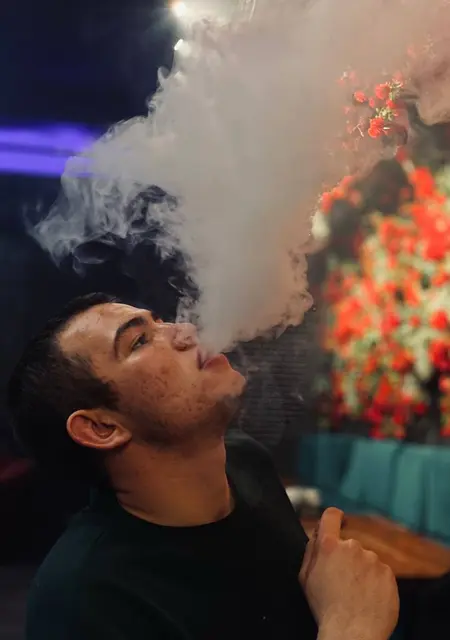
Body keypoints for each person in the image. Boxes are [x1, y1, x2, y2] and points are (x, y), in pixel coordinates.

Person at [7, 292, 399, 640]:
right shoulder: (83, 602)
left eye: (162, 322)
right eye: (140, 341)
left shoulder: (246, 463)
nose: (186, 330)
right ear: (101, 427)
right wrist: (353, 628)